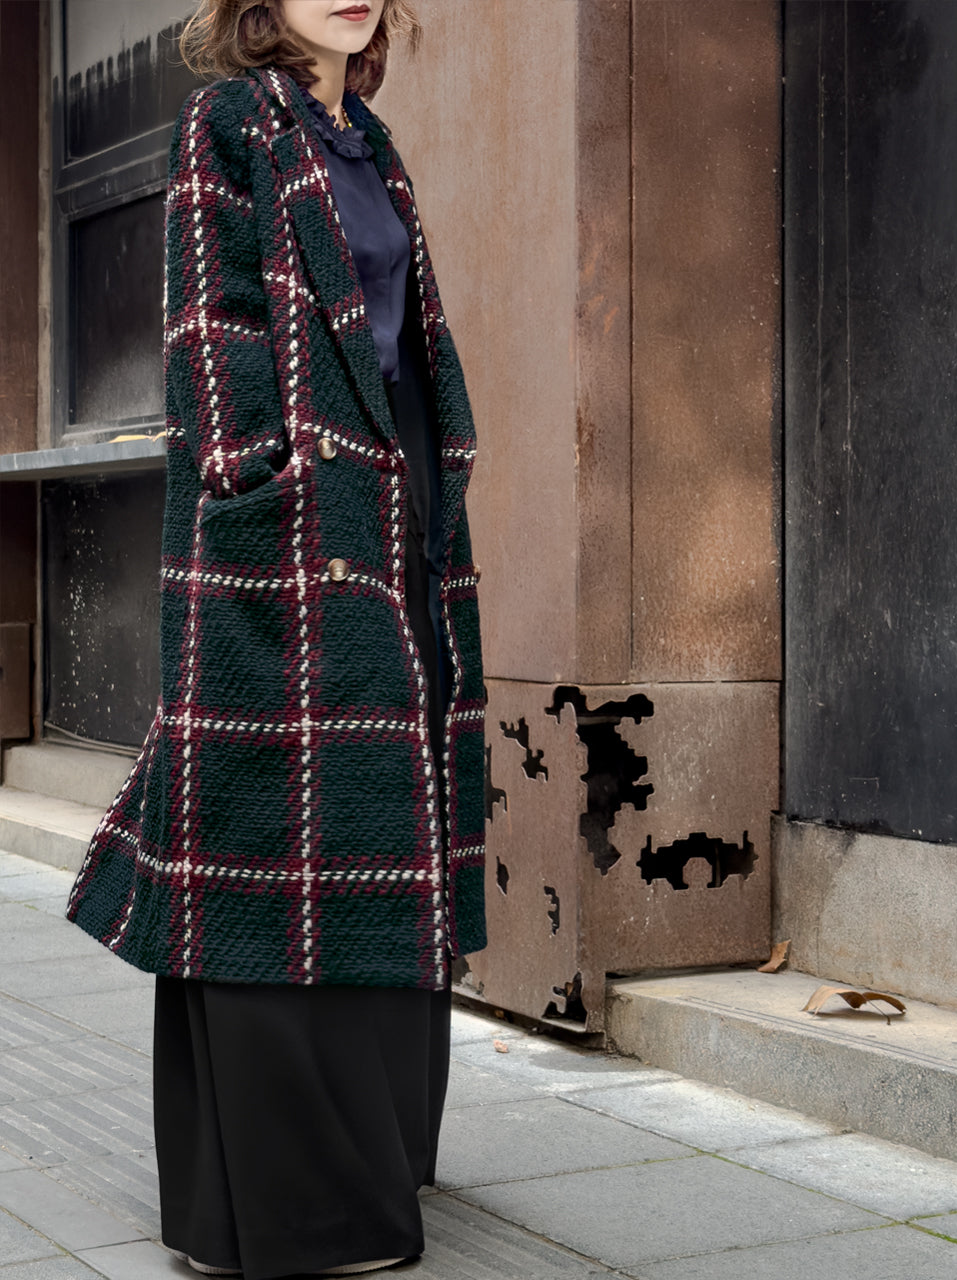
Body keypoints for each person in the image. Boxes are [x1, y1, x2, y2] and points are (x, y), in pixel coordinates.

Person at [65, 1, 487, 1275]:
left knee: (381, 819)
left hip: (395, 516)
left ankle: (379, 1148)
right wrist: (264, 491)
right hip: (291, 528)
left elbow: (400, 349)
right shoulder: (230, 121)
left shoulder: (370, 143)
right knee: (266, 832)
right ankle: (292, 1206)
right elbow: (212, 328)